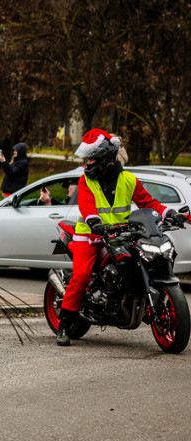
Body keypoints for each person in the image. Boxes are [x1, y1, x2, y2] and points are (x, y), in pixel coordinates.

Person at [55, 129, 181, 346]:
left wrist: (168, 213)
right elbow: (87, 207)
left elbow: (148, 203)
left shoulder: (128, 179)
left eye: (93, 158)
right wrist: (94, 221)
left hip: (120, 234)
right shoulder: (86, 181)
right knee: (83, 274)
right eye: (88, 158)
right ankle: (64, 325)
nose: (89, 162)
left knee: (144, 257)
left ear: (107, 158)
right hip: (90, 235)